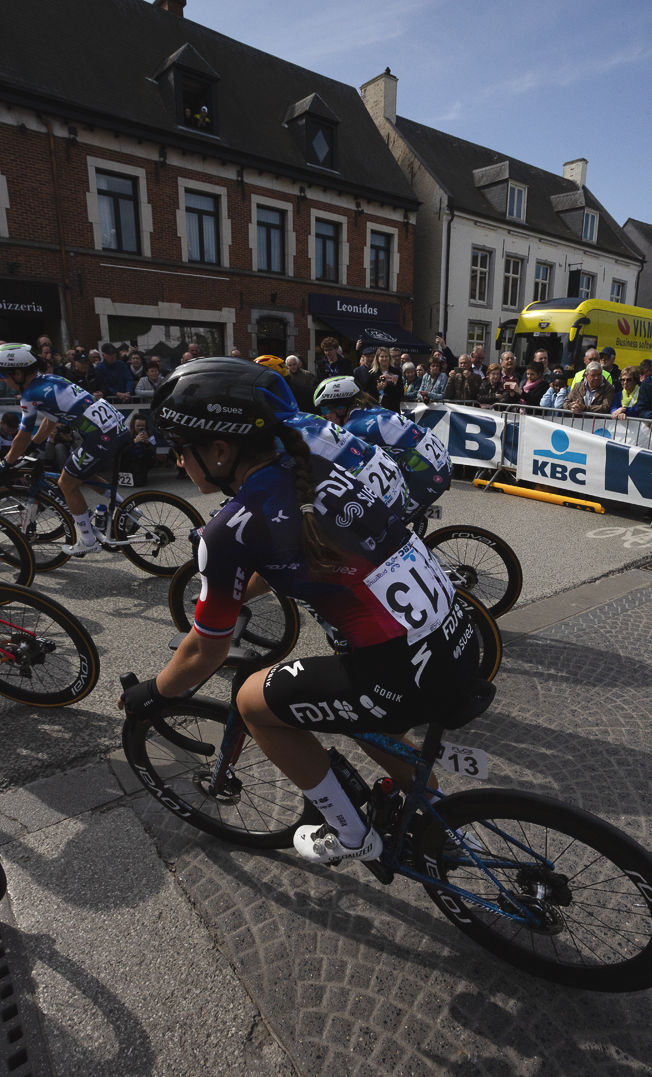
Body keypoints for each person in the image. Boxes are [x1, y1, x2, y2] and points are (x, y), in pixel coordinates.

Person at [118, 359, 478, 866]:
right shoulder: (319, 473)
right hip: (458, 642)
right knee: (352, 704)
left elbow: (202, 651)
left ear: (220, 450)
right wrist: (238, 591)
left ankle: (352, 835)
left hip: (401, 672)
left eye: (182, 450)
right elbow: (315, 556)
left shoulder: (228, 530)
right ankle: (434, 811)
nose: (180, 463)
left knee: (250, 702)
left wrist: (152, 692)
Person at [0, 343, 131, 554]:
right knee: (87, 476)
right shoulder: (51, 379)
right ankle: (131, 511)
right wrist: (34, 444)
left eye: (2, 374)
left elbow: (22, 435)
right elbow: (50, 421)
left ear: (17, 373)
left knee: (66, 483)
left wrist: (6, 463)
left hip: (101, 436)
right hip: (117, 426)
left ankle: (88, 541)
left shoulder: (29, 395)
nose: (1, 379)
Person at [313, 376, 451, 519]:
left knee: (380, 528)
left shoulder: (354, 427)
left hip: (428, 477)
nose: (322, 415)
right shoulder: (370, 410)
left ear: (341, 407)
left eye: (325, 408)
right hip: (440, 463)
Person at [120, 413, 157, 486]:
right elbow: (121, 451)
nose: (140, 428)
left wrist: (147, 443)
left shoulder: (149, 435)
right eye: (138, 426)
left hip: (141, 462)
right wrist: (134, 441)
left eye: (143, 426)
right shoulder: (126, 433)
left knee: (139, 483)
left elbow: (153, 453)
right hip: (127, 461)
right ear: (133, 425)